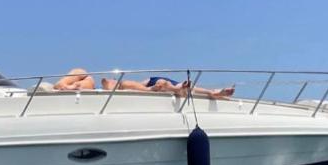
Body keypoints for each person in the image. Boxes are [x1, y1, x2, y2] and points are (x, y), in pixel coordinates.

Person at [100, 74, 235, 99]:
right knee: (132, 84)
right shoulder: (189, 88)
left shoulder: (190, 88)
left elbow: (211, 93)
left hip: (167, 85)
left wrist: (221, 92)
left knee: (169, 85)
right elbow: (211, 92)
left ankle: (115, 85)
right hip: (163, 84)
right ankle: (115, 85)